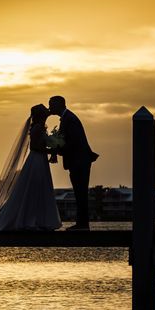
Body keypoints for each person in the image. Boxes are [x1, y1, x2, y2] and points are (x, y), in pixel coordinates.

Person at [48, 95, 99, 231]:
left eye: (51, 104)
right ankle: (82, 224)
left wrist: (58, 148)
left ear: (59, 104)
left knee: (81, 193)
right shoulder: (67, 118)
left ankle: (82, 225)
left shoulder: (69, 119)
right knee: (79, 193)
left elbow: (73, 142)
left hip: (79, 161)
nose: (49, 108)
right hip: (78, 161)